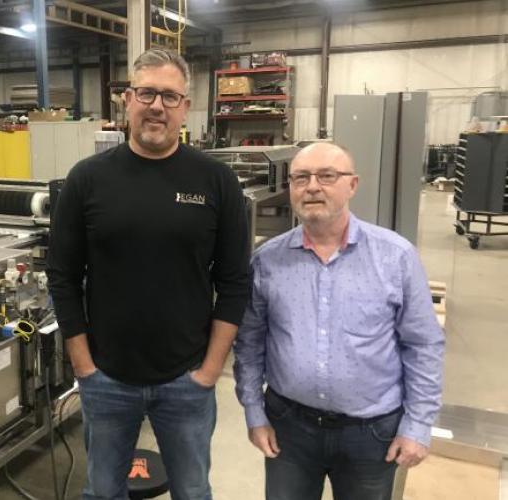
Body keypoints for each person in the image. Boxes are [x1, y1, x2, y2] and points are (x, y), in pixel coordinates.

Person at [47, 48, 250, 500]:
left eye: (169, 96)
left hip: (186, 379)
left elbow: (236, 280)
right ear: (127, 100)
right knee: (102, 492)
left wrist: (211, 369)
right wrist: (84, 366)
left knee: (193, 492)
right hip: (106, 380)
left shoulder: (216, 181)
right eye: (146, 93)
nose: (157, 105)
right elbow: (61, 276)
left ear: (185, 106)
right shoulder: (87, 179)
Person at [234, 142, 445, 500]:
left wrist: (418, 424)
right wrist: (254, 412)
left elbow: (423, 345)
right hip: (290, 430)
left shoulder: (394, 257)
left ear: (353, 184)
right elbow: (250, 343)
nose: (312, 186)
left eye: (327, 176)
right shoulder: (268, 261)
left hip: (372, 434)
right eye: (300, 177)